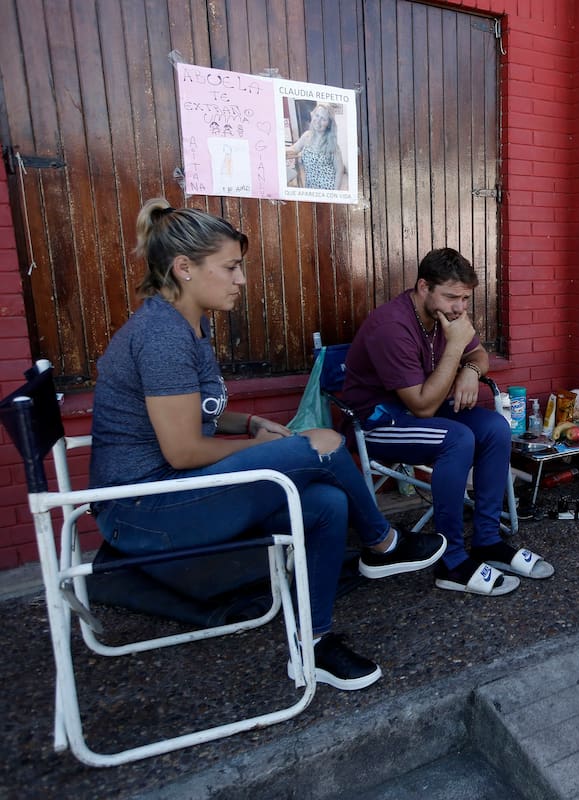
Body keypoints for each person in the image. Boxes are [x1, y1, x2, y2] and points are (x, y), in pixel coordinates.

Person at [88, 199, 446, 691]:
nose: (240, 280)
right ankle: (381, 542)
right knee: (320, 445)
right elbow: (183, 451)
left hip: (176, 490)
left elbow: (194, 413)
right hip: (142, 509)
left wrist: (252, 421)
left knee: (324, 502)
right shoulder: (161, 336)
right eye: (231, 267)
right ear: (184, 268)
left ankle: (313, 645)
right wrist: (284, 448)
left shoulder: (189, 324)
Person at [341, 247, 554, 597]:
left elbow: (479, 354)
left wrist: (470, 371)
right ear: (423, 287)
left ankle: (487, 540)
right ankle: (452, 560)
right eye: (452, 297)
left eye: (466, 299)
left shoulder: (447, 317)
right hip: (377, 423)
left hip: (422, 410)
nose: (459, 308)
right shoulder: (391, 325)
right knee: (457, 439)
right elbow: (423, 407)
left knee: (495, 429)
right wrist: (456, 349)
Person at [285, 103, 347, 191]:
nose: (318, 121)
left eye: (323, 119)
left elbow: (339, 170)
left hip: (327, 188)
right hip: (310, 186)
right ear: (313, 115)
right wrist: (279, 150)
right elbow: (295, 149)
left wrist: (335, 193)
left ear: (329, 124)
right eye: (317, 115)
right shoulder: (306, 136)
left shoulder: (333, 145)